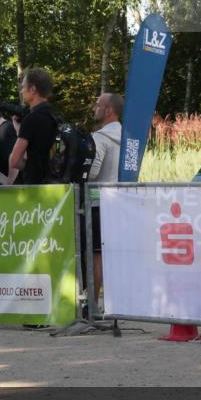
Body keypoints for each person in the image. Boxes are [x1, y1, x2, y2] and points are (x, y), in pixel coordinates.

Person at [87, 93, 124, 305]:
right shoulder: (127, 137)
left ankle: (92, 305)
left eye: (97, 104)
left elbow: (92, 172)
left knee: (96, 254)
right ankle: (116, 303)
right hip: (120, 201)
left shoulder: (100, 137)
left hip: (99, 200)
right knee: (113, 254)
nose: (94, 107)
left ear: (108, 110)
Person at [10, 67, 58, 185]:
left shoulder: (31, 119)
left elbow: (14, 161)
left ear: (32, 89)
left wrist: (30, 167)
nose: (21, 91)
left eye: (23, 87)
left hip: (34, 186)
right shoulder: (55, 117)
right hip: (54, 184)